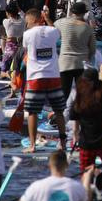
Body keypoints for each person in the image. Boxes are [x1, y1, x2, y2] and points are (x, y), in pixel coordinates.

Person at [22, 8, 68, 153]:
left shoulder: (27, 34)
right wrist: (47, 18)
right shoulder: (52, 31)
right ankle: (63, 142)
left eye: (27, 23)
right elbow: (57, 32)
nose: (26, 25)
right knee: (59, 111)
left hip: (35, 78)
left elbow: (25, 49)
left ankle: (32, 145)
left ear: (34, 20)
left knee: (32, 112)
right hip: (53, 76)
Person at [67, 68, 102, 192]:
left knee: (86, 174)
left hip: (88, 141)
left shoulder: (82, 93)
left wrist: (75, 133)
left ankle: (90, 190)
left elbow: (74, 116)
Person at [17, 150, 91, 201]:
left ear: (49, 166)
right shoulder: (76, 186)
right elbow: (87, 200)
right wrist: (87, 176)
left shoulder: (36, 186)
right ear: (67, 165)